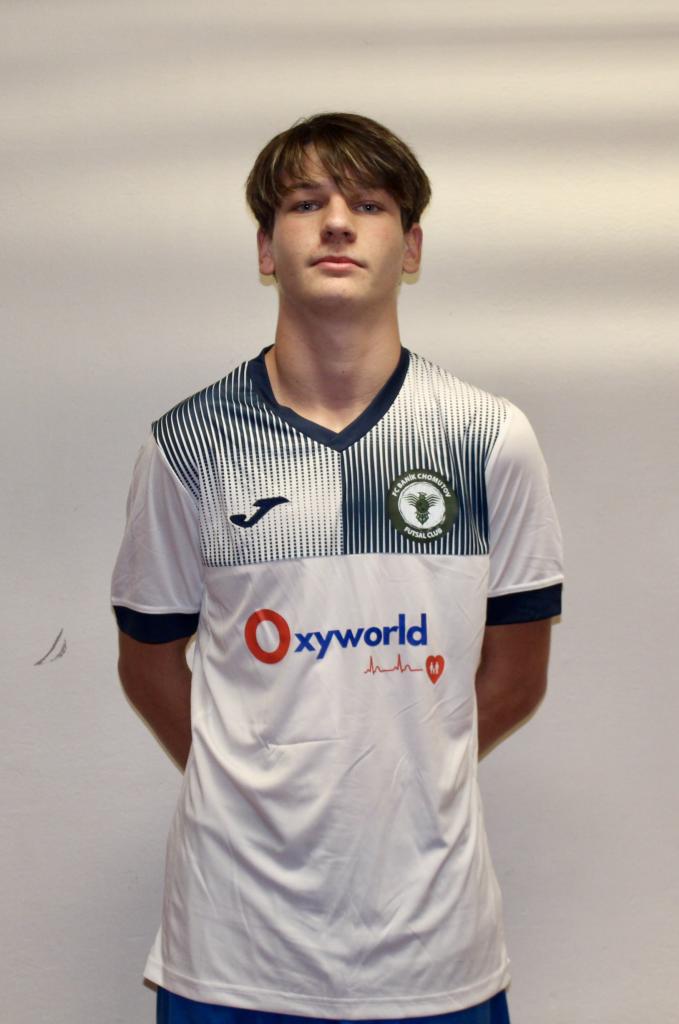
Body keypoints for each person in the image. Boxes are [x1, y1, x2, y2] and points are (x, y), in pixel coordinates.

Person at [111, 112, 563, 1024]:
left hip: (434, 951)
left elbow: (517, 674)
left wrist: (404, 775)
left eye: (368, 203)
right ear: (265, 249)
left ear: (411, 247)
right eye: (305, 203)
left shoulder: (488, 438)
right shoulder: (188, 445)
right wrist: (251, 783)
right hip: (231, 951)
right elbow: (148, 662)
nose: (336, 223)